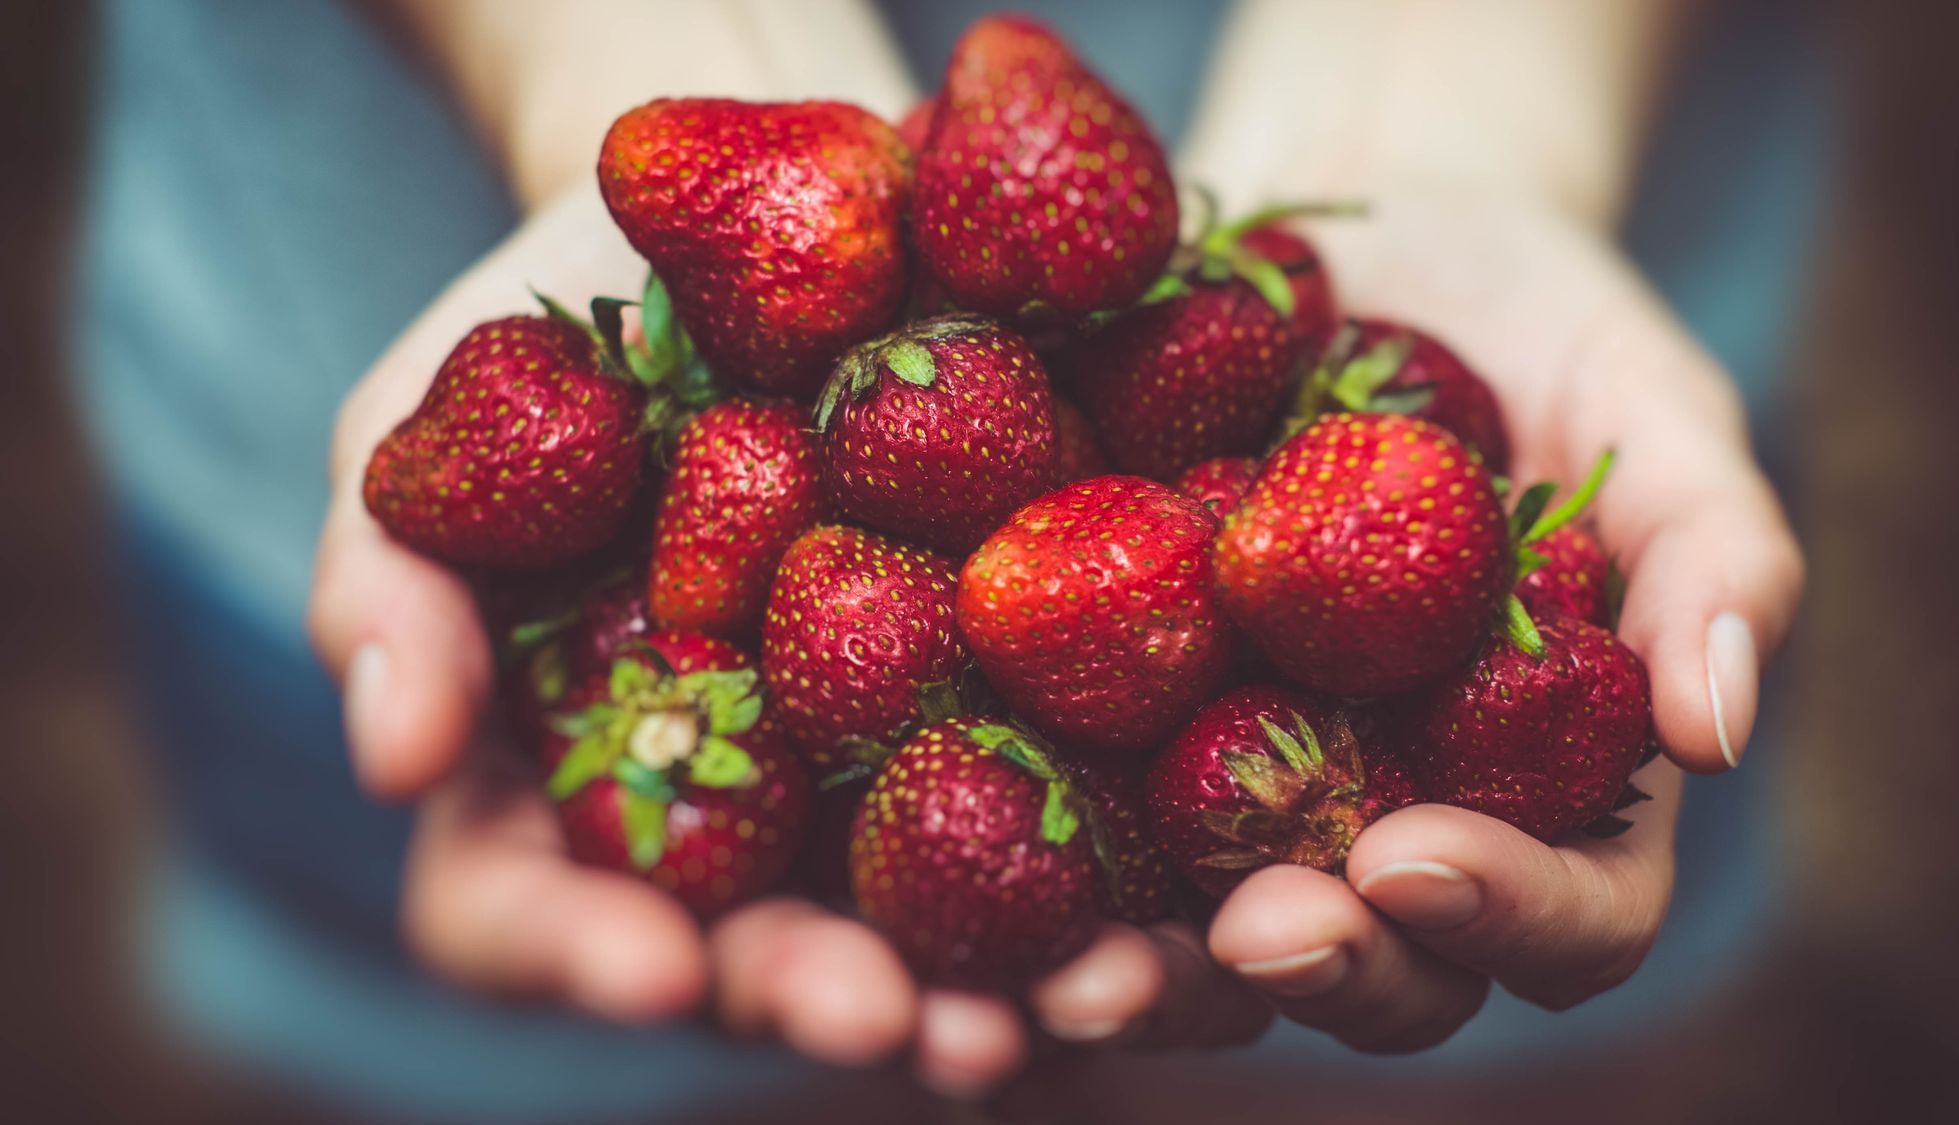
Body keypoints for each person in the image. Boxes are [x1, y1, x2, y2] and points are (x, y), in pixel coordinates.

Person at [78, 0, 1807, 1118]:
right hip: (334, 276)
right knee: (441, 1058)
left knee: (1459, 1058)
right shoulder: (858, 487)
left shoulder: (1199, 517)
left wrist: (1451, 114)